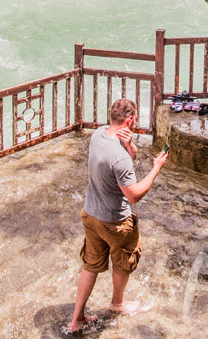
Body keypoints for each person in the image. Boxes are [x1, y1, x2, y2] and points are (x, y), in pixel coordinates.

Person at [70, 99, 168, 332]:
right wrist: (156, 168)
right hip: (114, 221)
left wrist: (130, 144)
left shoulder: (98, 134)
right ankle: (117, 303)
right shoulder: (119, 158)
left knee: (90, 266)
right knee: (124, 260)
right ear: (130, 119)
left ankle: (76, 319)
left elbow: (125, 160)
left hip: (90, 215)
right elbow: (133, 195)